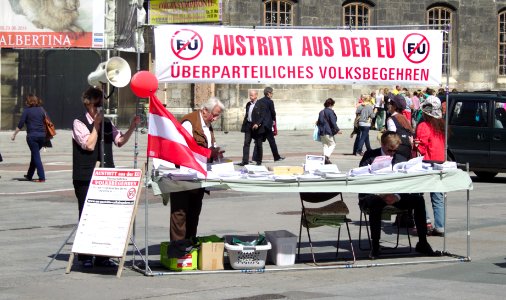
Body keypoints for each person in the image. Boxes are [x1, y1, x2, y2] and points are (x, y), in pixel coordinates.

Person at [72, 87, 140, 268]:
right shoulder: (79, 122)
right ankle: (85, 255)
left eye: (101, 105)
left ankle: (103, 255)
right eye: (96, 105)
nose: (99, 109)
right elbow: (89, 144)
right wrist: (96, 126)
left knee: (106, 215)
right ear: (88, 104)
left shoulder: (108, 123)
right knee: (87, 214)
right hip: (85, 175)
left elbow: (119, 141)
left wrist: (132, 127)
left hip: (106, 174)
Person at [358, 131, 438, 259]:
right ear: (382, 144)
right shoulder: (370, 156)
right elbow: (360, 179)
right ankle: (375, 245)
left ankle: (423, 242)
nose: (392, 153)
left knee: (419, 200)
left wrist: (397, 196)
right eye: (390, 150)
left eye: (395, 150)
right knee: (375, 204)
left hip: (395, 195)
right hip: (374, 195)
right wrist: (381, 194)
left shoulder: (400, 158)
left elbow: (406, 182)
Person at [170, 97, 225, 242]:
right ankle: (178, 248)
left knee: (194, 211)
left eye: (218, 115)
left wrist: (214, 152)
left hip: (200, 174)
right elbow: (185, 148)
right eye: (214, 114)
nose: (215, 118)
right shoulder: (190, 122)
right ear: (205, 110)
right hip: (184, 175)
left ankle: (190, 242)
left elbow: (207, 144)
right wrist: (208, 153)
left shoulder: (207, 123)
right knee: (180, 213)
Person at [415, 95, 446, 237]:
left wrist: (413, 144)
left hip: (426, 163)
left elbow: (420, 147)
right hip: (440, 162)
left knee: (418, 194)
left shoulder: (423, 125)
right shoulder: (441, 125)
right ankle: (440, 226)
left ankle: (425, 221)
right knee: (438, 196)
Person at [11, 94, 48, 182]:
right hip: (42, 136)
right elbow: (47, 123)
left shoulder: (27, 111)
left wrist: (14, 135)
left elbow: (21, 124)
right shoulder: (42, 109)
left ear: (29, 101)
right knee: (34, 155)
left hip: (32, 137)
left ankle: (42, 177)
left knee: (36, 156)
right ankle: (29, 175)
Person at [252, 87, 284, 163]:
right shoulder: (270, 102)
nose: (272, 95)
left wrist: (257, 122)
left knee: (258, 142)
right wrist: (273, 120)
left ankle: (255, 158)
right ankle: (276, 157)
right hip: (267, 125)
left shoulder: (259, 101)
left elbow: (256, 112)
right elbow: (273, 113)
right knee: (272, 142)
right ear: (268, 93)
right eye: (272, 93)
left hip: (260, 125)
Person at [239, 90, 266, 166]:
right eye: (250, 95)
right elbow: (247, 115)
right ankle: (245, 161)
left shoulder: (261, 104)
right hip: (249, 125)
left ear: (256, 95)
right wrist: (244, 125)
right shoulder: (248, 104)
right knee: (246, 143)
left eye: (252, 95)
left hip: (258, 127)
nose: (250, 97)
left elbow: (262, 116)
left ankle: (259, 161)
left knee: (258, 144)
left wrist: (257, 124)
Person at [386, 94, 414, 160]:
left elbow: (391, 138)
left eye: (390, 103)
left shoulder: (391, 119)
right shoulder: (404, 118)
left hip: (397, 152)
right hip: (407, 150)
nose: (388, 105)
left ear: (395, 106)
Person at [317, 98, 341, 164]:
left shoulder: (321, 112)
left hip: (321, 131)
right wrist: (337, 130)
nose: (333, 106)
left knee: (325, 145)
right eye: (333, 104)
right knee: (333, 144)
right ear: (330, 104)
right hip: (328, 131)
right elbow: (333, 122)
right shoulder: (330, 112)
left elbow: (319, 122)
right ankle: (326, 157)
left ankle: (325, 159)